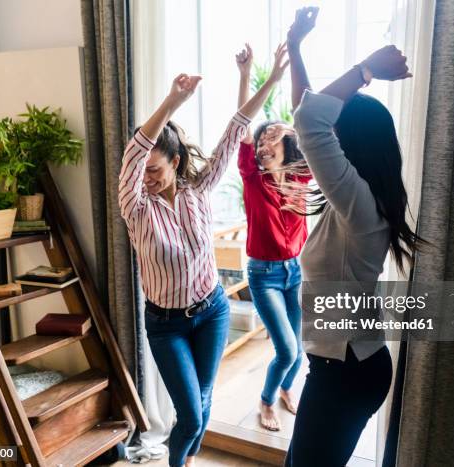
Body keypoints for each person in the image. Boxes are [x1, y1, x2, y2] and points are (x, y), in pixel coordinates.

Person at [119, 64, 285, 467]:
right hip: (166, 324)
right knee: (191, 414)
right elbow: (134, 153)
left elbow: (235, 130)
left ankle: (188, 458)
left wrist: (275, 77)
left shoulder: (200, 188)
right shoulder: (136, 206)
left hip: (212, 311)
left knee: (205, 399)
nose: (146, 179)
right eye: (142, 172)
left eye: (155, 170)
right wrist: (173, 101)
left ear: (175, 162)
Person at [283, 7, 423, 466]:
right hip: (349, 365)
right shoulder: (360, 201)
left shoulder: (359, 207)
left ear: (350, 144)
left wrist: (365, 71)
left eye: (337, 137)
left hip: (344, 371)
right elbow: (306, 111)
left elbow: (309, 123)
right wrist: (297, 47)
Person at [235, 43, 311, 431]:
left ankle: (285, 389)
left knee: (298, 353)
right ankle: (266, 401)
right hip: (264, 275)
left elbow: (325, 141)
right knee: (287, 348)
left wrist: (294, 127)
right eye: (261, 142)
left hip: (295, 272)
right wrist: (246, 76)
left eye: (271, 139)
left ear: (286, 145)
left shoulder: (302, 176)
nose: (263, 145)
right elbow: (243, 127)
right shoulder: (252, 177)